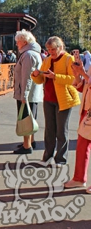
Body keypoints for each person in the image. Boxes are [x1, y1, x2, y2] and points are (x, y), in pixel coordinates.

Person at [32, 36, 80, 166]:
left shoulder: (68, 59)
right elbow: (41, 80)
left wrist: (55, 76)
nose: (50, 52)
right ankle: (47, 157)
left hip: (64, 99)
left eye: (53, 49)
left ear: (60, 47)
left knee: (61, 131)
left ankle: (61, 159)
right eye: (48, 49)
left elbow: (73, 79)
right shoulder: (47, 60)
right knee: (49, 130)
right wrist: (36, 75)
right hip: (48, 99)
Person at [13, 29, 43, 154]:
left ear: (24, 42)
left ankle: (27, 146)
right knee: (31, 118)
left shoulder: (28, 55)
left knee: (26, 119)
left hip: (27, 94)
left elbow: (27, 77)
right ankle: (31, 141)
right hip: (32, 93)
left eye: (18, 42)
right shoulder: (32, 53)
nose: (16, 44)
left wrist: (24, 94)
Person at [64, 60, 91, 191]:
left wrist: (83, 74)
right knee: (82, 145)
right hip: (87, 110)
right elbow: (84, 86)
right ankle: (79, 178)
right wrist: (77, 75)